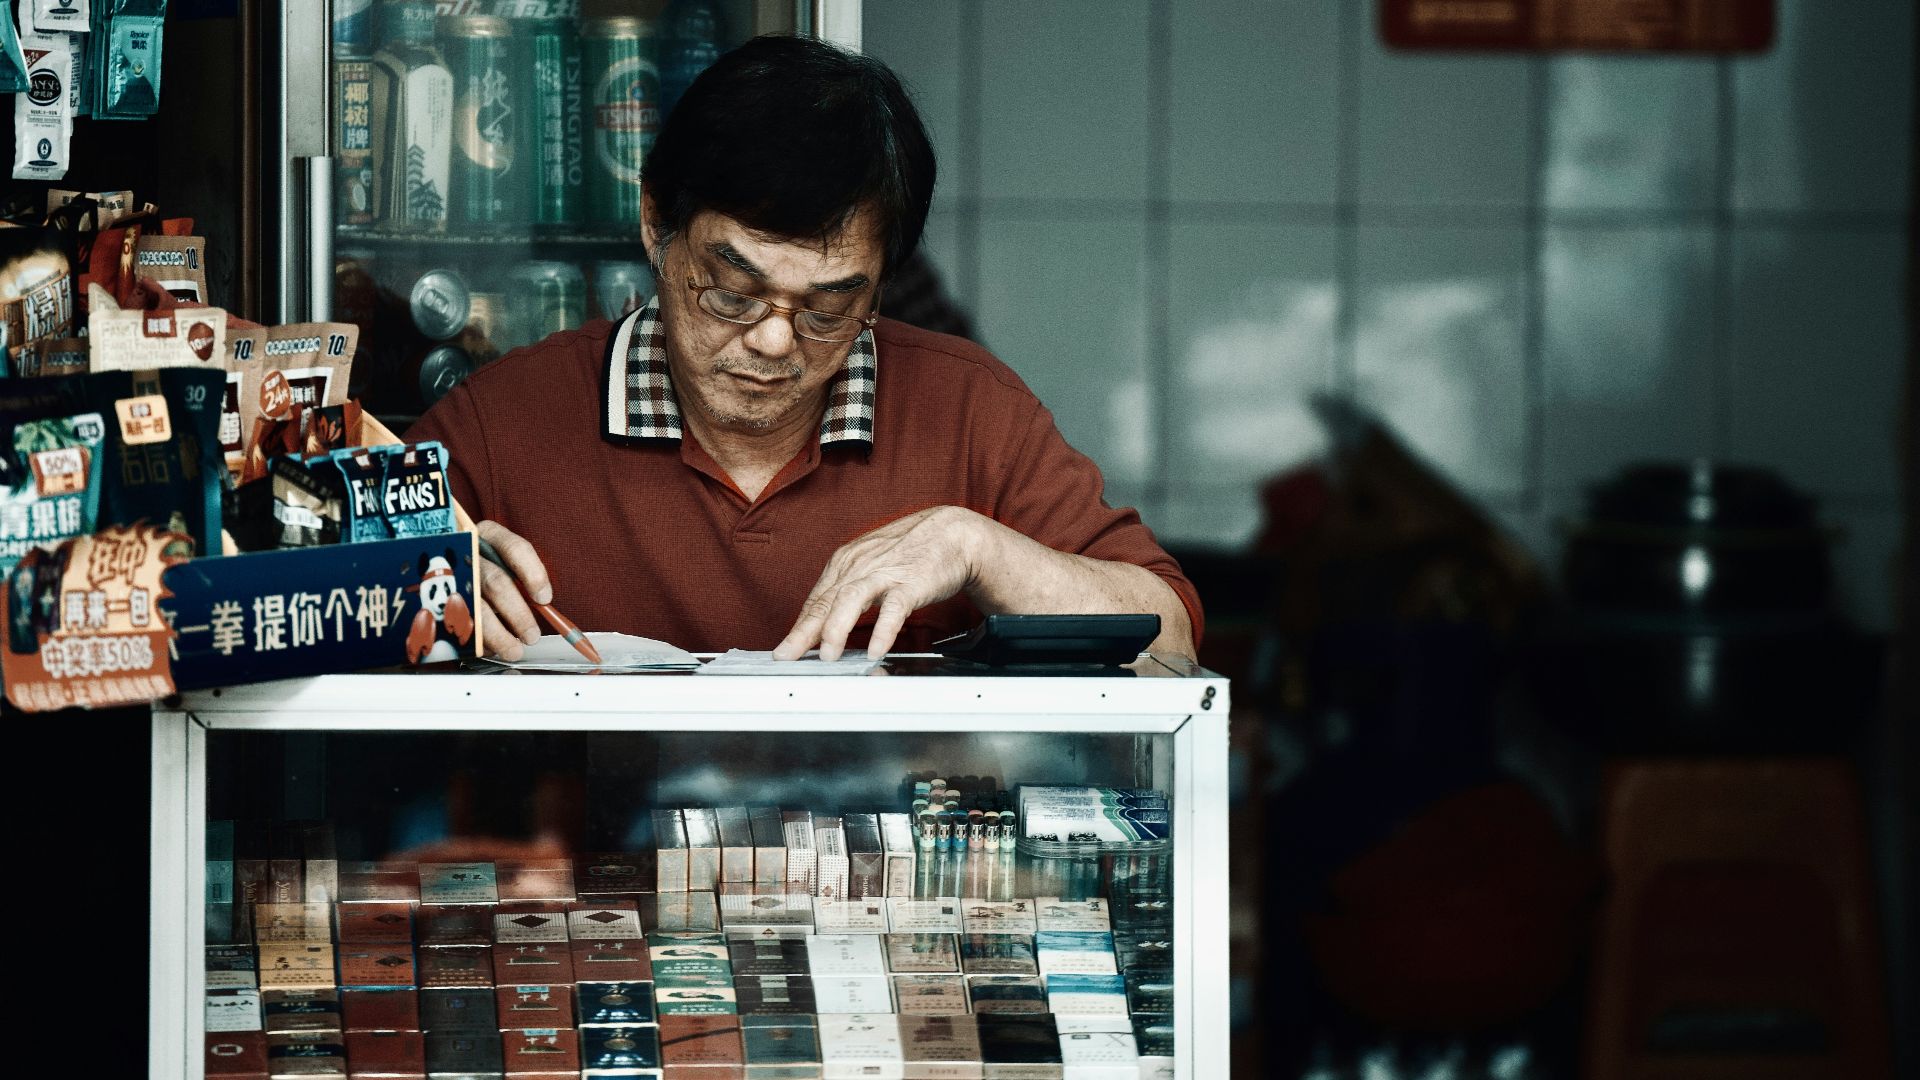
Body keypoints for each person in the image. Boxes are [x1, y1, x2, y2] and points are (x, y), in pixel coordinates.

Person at [407, 35, 1200, 663]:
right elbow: (297, 612)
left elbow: (1170, 643)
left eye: (829, 305)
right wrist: (417, 581)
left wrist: (980, 548)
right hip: (580, 866)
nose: (775, 339)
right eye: (731, 290)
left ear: (883, 286)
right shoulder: (506, 422)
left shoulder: (970, 414)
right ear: (657, 224)